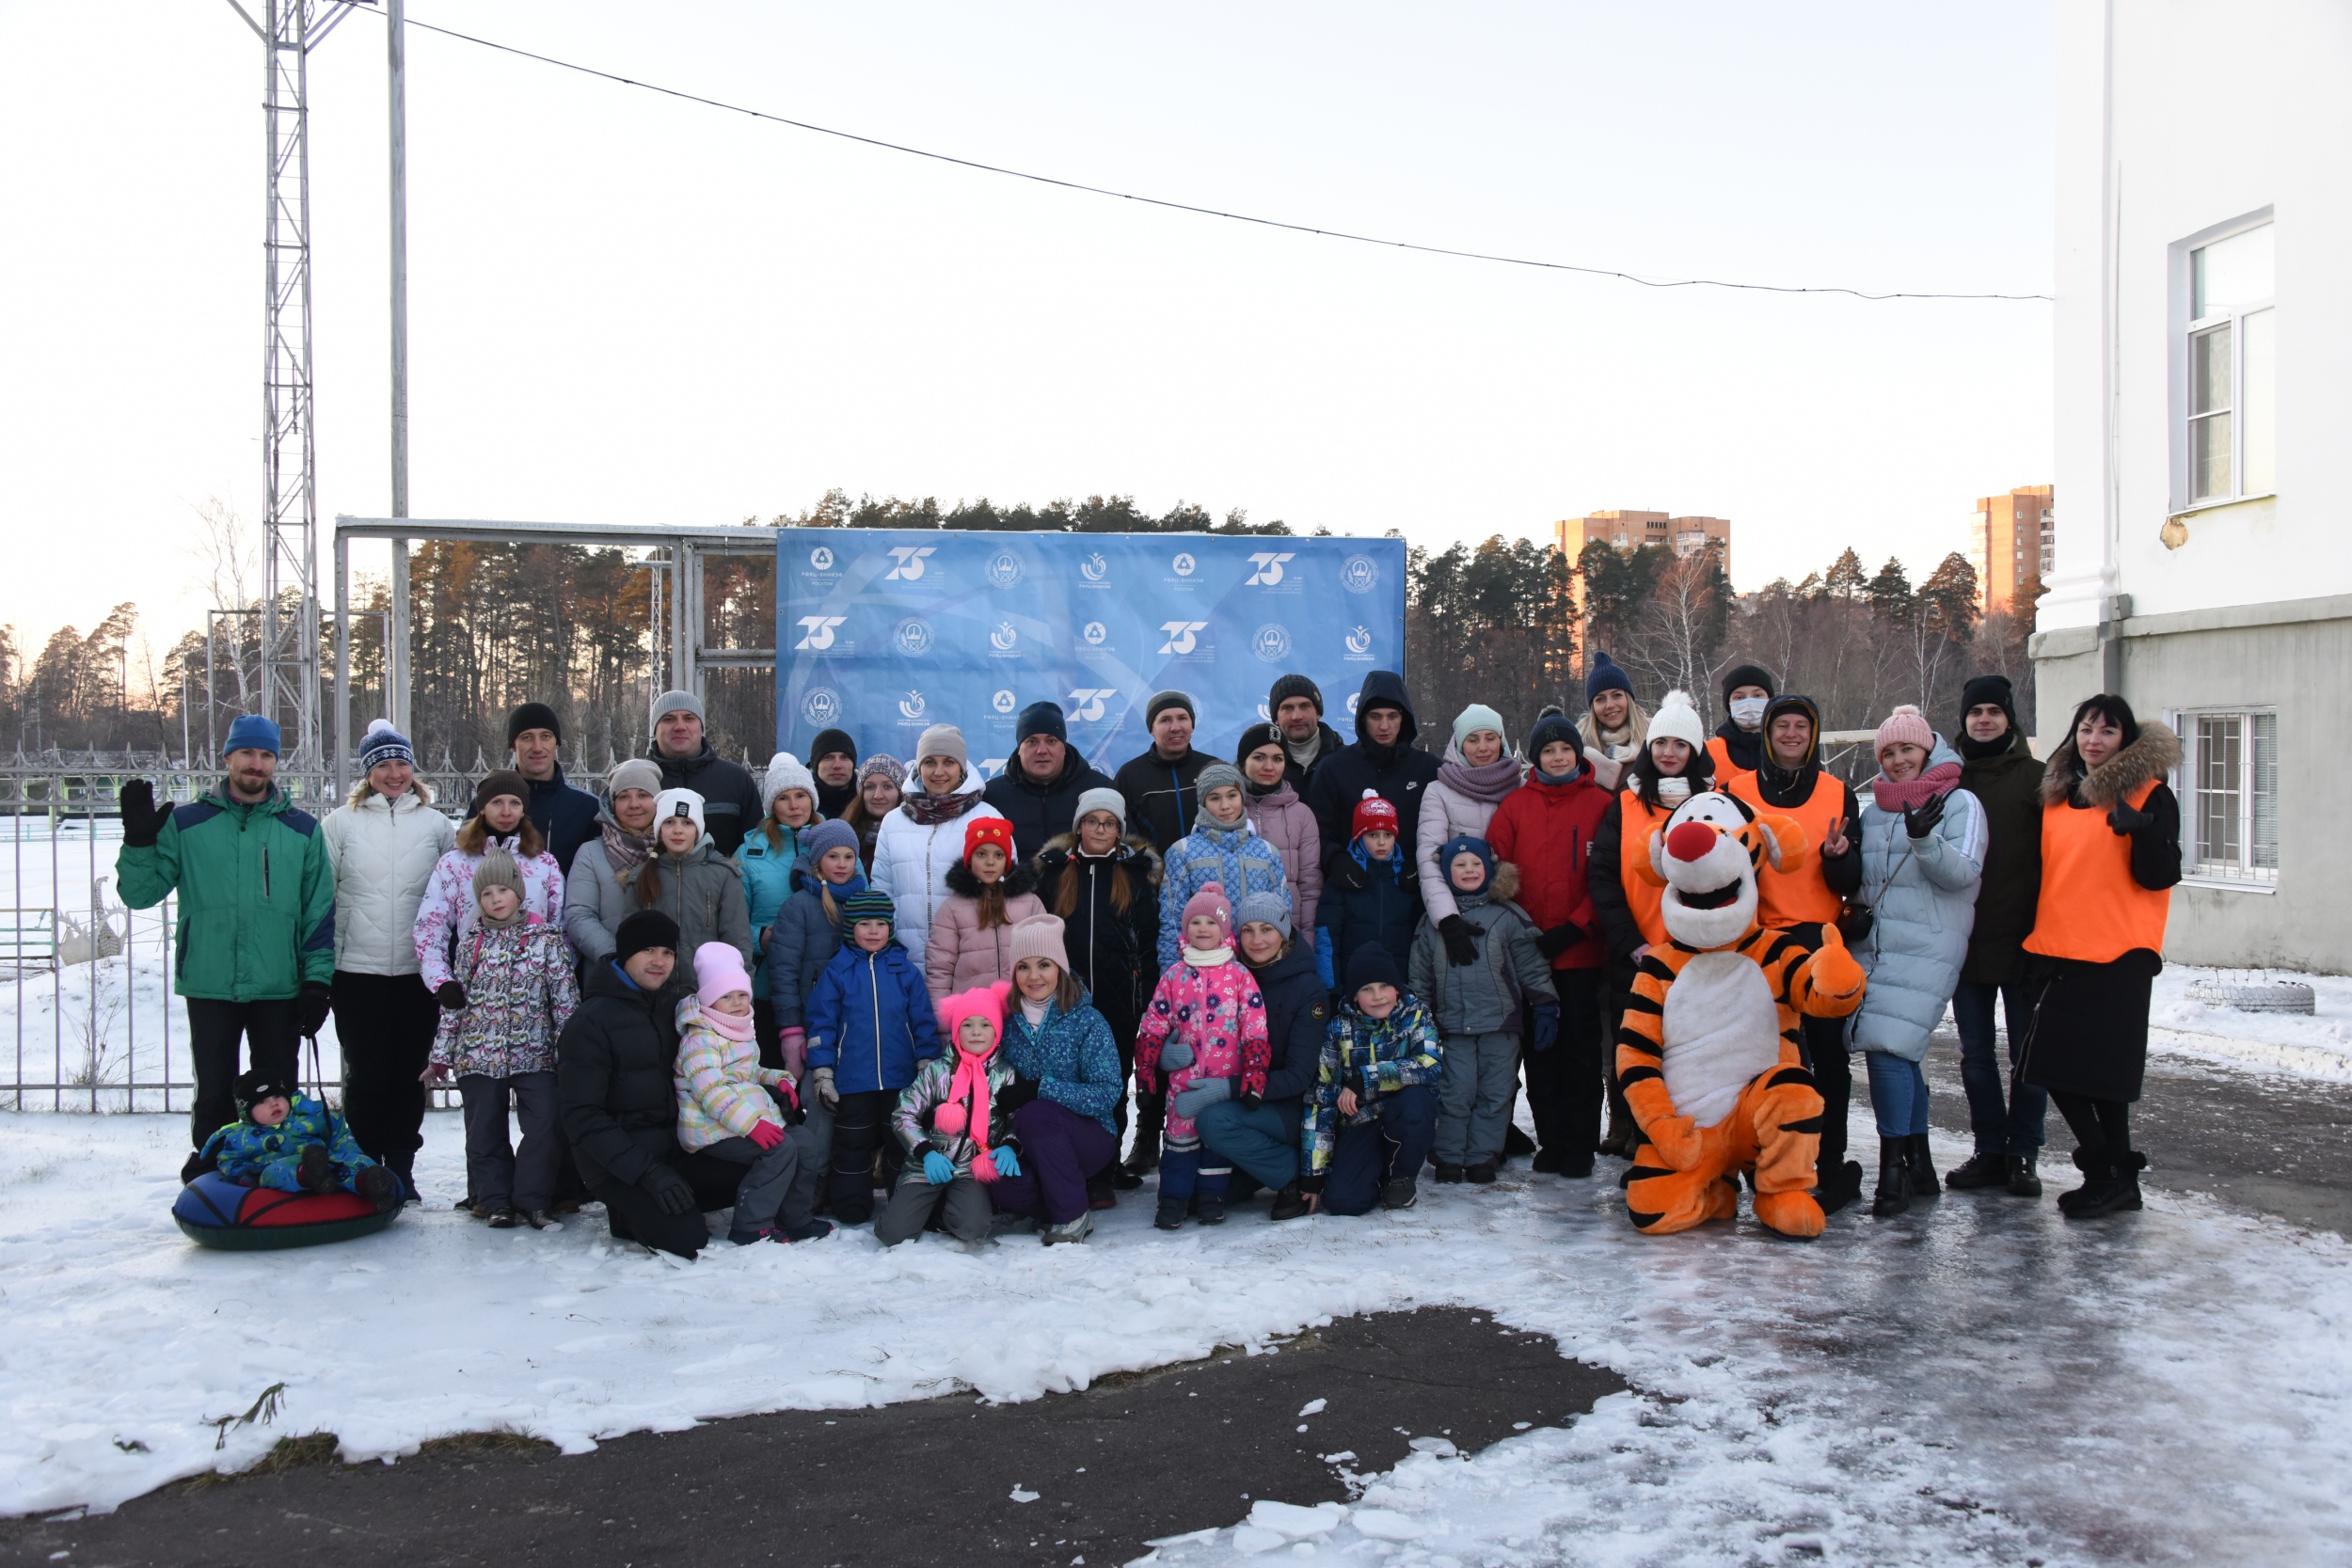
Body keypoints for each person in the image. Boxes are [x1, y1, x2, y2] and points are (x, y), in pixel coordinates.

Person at [118, 715, 334, 1169]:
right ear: (228, 757)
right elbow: (140, 894)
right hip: (210, 980)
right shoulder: (187, 823)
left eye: (267, 755)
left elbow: (318, 912)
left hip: (278, 983)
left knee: (278, 1090)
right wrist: (139, 841)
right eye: (247, 753)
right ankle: (213, 1171)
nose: (257, 764)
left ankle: (281, 1171)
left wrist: (317, 983)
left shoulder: (301, 829)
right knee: (214, 1088)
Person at [2019, 695, 2181, 1219]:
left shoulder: (2150, 793)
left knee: (2101, 1078)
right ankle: (2115, 1176)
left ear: (2124, 739)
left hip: (2119, 953)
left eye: (2107, 732)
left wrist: (2145, 832)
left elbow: (2162, 875)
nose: (2094, 740)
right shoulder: (2057, 797)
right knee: (2054, 1068)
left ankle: (2107, 1175)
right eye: (2086, 729)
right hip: (2060, 949)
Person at [1725, 692, 1866, 1212]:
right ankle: (1765, 1159)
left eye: (1800, 727)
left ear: (1813, 735)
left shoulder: (1838, 792)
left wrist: (1839, 858)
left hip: (1818, 942)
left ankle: (1828, 1161)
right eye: (1781, 725)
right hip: (1757, 942)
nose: (1791, 734)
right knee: (1764, 1059)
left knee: (1828, 1057)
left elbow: (1851, 881)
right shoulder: (1735, 790)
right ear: (1767, 734)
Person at [1850, 708, 1985, 1217]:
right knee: (1901, 1051)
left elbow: (1963, 873)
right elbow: (1865, 881)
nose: (1898, 760)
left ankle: (1893, 1172)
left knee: (1886, 1046)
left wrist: (1925, 839)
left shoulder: (1960, 802)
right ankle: (1919, 1163)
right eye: (1888, 752)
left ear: (1927, 750)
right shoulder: (1874, 811)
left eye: (1907, 749)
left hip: (1929, 942)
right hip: (1876, 947)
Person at [557, 910, 744, 1258]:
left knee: (765, 1165)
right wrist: (648, 1173)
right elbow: (581, 1115)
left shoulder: (674, 1009)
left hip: (676, 1151)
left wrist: (765, 1092)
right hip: (619, 1164)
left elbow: (717, 1066)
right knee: (686, 1240)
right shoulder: (589, 1023)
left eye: (668, 952)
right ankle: (630, 1209)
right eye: (648, 950)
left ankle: (658, 1205)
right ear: (626, 953)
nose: (659, 961)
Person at [320, 718, 453, 1195]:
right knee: (366, 1074)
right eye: (383, 765)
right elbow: (322, 896)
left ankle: (400, 1166)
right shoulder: (340, 823)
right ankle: (363, 1166)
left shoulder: (437, 825)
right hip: (357, 971)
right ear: (368, 772)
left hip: (418, 972)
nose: (394, 774)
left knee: (409, 1074)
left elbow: (452, 893)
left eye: (401, 763)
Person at [420, 847, 580, 1228]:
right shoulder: (471, 942)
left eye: (502, 891)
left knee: (544, 1127)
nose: (495, 900)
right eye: (486, 894)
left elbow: (565, 1002)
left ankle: (533, 1200)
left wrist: (570, 1053)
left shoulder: (546, 940)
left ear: (518, 893)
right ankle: (494, 1201)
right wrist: (441, 1056)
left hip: (535, 1053)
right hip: (478, 1055)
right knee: (484, 1133)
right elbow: (455, 1007)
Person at [1586, 689, 1716, 1158]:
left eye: (1680, 745)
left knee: (1682, 1054)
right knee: (1632, 1048)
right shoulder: (1625, 803)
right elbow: (1602, 876)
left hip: (1694, 956)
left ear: (1694, 752)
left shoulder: (1715, 804)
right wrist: (1630, 941)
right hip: (1636, 952)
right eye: (1661, 743)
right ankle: (1626, 1124)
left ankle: (1669, 1135)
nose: (1669, 752)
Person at [1488, 708, 1612, 1175]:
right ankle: (1552, 1142)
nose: (1558, 757)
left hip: (1581, 950)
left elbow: (1609, 877)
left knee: (1581, 1051)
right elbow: (1494, 873)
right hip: (1530, 954)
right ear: (1536, 757)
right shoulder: (1515, 806)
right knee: (1542, 1053)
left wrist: (1577, 927)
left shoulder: (1601, 805)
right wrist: (1520, 933)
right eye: (1548, 750)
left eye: (1565, 749)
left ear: (1578, 754)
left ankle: (1580, 1145)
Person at [1946, 673, 2050, 1196]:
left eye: (1994, 711)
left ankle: (2023, 1153)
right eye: (1975, 711)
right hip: (1966, 940)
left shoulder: (2038, 778)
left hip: (2026, 939)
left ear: (2010, 718)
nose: (1984, 719)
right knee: (1976, 1056)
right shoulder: (1949, 780)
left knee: (2028, 1056)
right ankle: (1989, 1149)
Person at [1412, 836, 1557, 1185]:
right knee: (1456, 1092)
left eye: (1476, 864)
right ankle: (1449, 1156)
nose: (1469, 870)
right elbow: (1420, 973)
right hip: (1454, 1025)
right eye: (1459, 865)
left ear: (1489, 869)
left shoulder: (1508, 916)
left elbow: (1531, 964)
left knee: (1496, 1093)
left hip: (1500, 1024)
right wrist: (1421, 1017)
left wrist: (1545, 1003)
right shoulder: (1434, 921)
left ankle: (1482, 1156)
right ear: (1446, 873)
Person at [1036, 787, 1163, 1180]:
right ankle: (1070, 1163)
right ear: (1080, 826)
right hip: (1065, 999)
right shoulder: (1055, 873)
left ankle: (1107, 1164)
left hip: (1118, 1000)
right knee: (1067, 1077)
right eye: (1093, 821)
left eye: (1109, 823)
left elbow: (1148, 942)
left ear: (1119, 830)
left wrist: (1142, 997)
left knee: (1111, 1081)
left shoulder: (1135, 876)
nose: (1101, 830)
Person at [672, 942, 830, 1244]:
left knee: (805, 1142)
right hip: (710, 1128)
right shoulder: (700, 1038)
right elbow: (712, 1091)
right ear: (708, 1000)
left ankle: (795, 1217)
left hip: (739, 1120)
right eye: (726, 996)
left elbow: (750, 1072)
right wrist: (752, 1125)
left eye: (742, 995)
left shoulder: (739, 1029)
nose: (736, 1003)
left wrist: (780, 1080)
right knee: (779, 1148)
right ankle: (751, 1224)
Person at [1135, 884, 1271, 1229]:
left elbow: (1255, 1028)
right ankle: (1173, 1198)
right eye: (1195, 922)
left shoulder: (1239, 975)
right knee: (1179, 1139)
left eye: (1211, 922)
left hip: (1224, 1081)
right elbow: (1154, 1023)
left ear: (1224, 930)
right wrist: (1148, 1067)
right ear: (1185, 929)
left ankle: (1212, 1196)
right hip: (1184, 1081)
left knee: (1215, 1141)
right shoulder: (1174, 976)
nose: (1203, 929)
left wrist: (1254, 1077)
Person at [803, 890, 941, 1226]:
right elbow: (821, 1024)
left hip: (900, 1077)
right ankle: (851, 1201)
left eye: (881, 923)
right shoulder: (837, 971)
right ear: (850, 927)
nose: (874, 931)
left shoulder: (904, 971)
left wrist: (926, 1062)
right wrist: (823, 1072)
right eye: (865, 924)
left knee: (900, 1141)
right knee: (852, 1142)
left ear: (890, 927)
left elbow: (923, 1022)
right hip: (853, 1078)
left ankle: (903, 1201)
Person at [991, 916, 1126, 1243]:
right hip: (1025, 1140)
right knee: (996, 1179)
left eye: (1044, 965)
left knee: (1037, 1113)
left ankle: (1072, 1215)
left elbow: (1107, 1092)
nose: (1034, 976)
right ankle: (1056, 1201)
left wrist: (1041, 1089)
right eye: (1023, 967)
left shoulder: (1087, 1020)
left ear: (1060, 968)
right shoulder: (1006, 1024)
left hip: (1089, 1135)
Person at [1198, 892, 1322, 1221]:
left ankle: (1290, 1171)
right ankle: (1254, 1170)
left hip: (1289, 1106)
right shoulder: (1229, 976)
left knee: (1213, 1121)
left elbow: (1299, 1075)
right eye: (1247, 930)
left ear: (1283, 932)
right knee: (1199, 1195)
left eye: (1266, 929)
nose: (1256, 940)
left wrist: (1229, 1088)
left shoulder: (1306, 987)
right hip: (1245, 1098)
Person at [1300, 943, 1440, 1215]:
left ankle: (1400, 1177)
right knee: (1342, 1201)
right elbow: (1321, 1097)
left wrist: (1366, 1079)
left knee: (1416, 1099)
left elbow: (1429, 1064)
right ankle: (1374, 1175)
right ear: (1354, 996)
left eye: (1384, 986)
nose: (1377, 996)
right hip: (1361, 1121)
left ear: (1396, 989)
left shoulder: (1416, 1015)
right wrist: (1314, 1173)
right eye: (1367, 989)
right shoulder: (1337, 1029)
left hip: (1404, 1114)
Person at [879, 982, 1021, 1245]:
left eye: (985, 1024)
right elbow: (904, 1113)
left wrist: (1010, 1145)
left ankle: (942, 1211)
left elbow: (1016, 1120)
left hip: (971, 1169)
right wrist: (926, 1153)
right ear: (956, 1030)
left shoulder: (1006, 1074)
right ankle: (918, 1205)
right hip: (928, 1165)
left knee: (973, 1230)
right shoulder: (937, 1071)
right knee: (893, 1235)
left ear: (997, 1031)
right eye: (967, 1025)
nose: (976, 1032)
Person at [416, 771, 567, 1005]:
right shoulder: (454, 863)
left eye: (514, 803)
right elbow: (430, 927)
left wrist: (556, 978)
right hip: (473, 990)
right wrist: (441, 981)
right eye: (497, 802)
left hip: (531, 992)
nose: (506, 811)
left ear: (523, 809)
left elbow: (561, 928)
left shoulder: (544, 863)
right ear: (482, 808)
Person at [871, 725, 1006, 973]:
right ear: (919, 767)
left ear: (961, 768)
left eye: (949, 762)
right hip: (904, 960)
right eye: (930, 762)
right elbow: (882, 889)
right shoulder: (894, 821)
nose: (939, 772)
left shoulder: (987, 818)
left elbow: (1004, 889)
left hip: (968, 960)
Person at [194, 1069, 400, 1212]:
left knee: (348, 1165)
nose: (273, 1103)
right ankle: (307, 1175)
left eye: (277, 1096)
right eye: (262, 1101)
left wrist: (352, 1155)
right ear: (247, 1112)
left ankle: (367, 1182)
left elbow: (337, 1132)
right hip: (277, 1168)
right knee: (275, 1172)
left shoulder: (306, 1119)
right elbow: (229, 1160)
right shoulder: (240, 1136)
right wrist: (246, 1175)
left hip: (325, 1162)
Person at [1306, 670, 1441, 877]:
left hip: (1413, 888)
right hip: (1351, 886)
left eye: (1392, 716)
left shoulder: (1428, 768)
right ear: (1362, 719)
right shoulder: (1333, 768)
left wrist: (1418, 867)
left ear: (1404, 718)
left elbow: (1441, 832)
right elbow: (1318, 832)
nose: (1384, 726)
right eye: (1375, 716)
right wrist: (1336, 860)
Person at [1157, 762, 1289, 971]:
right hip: (1202, 969)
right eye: (1215, 798)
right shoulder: (1182, 851)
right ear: (1203, 802)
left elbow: (1282, 911)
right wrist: (1172, 972)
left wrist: (1281, 965)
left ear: (1242, 797)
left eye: (1232, 795)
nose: (1225, 806)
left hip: (1260, 964)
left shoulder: (1267, 851)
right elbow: (1172, 918)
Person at [765, 819, 866, 1088]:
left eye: (848, 857)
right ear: (818, 859)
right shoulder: (798, 906)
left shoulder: (863, 901)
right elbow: (783, 971)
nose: (842, 864)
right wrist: (791, 1030)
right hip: (813, 1022)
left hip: (856, 1022)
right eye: (833, 856)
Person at [1414, 704, 1524, 942]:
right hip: (1459, 911)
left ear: (1501, 741)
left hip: (1511, 915)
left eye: (1490, 738)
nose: (1483, 747)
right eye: (1473, 740)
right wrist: (1446, 916)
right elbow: (1429, 856)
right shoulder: (1439, 791)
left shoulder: (1520, 788)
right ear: (1459, 745)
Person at [742, 752, 822, 1061]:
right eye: (783, 798)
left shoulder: (835, 843)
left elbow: (859, 905)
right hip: (769, 986)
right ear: (771, 805)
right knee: (775, 1071)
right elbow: (733, 922)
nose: (794, 806)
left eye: (801, 795)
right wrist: (758, 938)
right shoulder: (749, 853)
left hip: (827, 981)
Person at [926, 816, 1046, 1001]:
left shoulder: (1030, 903)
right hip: (972, 1013)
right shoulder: (952, 909)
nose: (990, 862)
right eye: (981, 854)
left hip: (1021, 1009)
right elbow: (940, 969)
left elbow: (1046, 958)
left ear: (1007, 860)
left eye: (998, 855)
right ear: (969, 859)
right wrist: (943, 1015)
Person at [1314, 791, 1422, 992]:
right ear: (1359, 837)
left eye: (1388, 835)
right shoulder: (1344, 878)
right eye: (1373, 835)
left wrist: (1418, 989)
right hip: (1353, 987)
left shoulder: (1406, 879)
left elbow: (1421, 942)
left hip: (1400, 986)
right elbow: (1326, 938)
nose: (1382, 842)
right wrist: (1330, 989)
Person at [983, 700, 1115, 861]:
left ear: (1064, 747)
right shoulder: (992, 796)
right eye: (1032, 742)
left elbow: (1127, 850)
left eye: (1051, 741)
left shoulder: (1100, 789)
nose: (1041, 750)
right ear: (1019, 749)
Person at [563, 758, 663, 964]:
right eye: (624, 796)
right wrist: (618, 956)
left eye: (643, 795)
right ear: (612, 804)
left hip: (669, 968)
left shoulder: (675, 848)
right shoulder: (591, 854)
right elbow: (579, 915)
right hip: (611, 969)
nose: (634, 804)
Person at [646, 689, 763, 859]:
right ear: (655, 730)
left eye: (689, 718)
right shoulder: (639, 783)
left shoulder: (736, 779)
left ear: (701, 727)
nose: (680, 726)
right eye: (668, 719)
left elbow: (756, 850)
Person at [1234, 722, 1323, 938]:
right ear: (1243, 761)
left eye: (1277, 759)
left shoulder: (1302, 815)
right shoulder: (1226, 810)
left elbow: (1310, 887)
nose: (1269, 766)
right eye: (1259, 757)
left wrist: (1307, 939)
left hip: (1287, 935)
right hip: (1236, 934)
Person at [1113, 689, 1215, 854]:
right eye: (1165, 720)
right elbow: (1122, 836)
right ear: (1151, 729)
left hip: (1208, 869)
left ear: (1192, 725)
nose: (1175, 727)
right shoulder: (1130, 775)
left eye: (1182, 718)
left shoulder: (1212, 768)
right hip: (1154, 869)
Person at [506, 701, 600, 877]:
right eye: (527, 737)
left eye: (546, 736)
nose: (537, 747)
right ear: (513, 745)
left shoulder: (587, 808)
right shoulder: (489, 805)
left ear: (556, 743)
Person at [1576, 652, 1648, 791]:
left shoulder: (1656, 739)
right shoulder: (1576, 748)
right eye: (1600, 699)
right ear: (1593, 707)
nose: (1609, 705)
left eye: (1617, 695)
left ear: (1628, 699)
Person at [1268, 673, 1347, 796]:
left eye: (1305, 706)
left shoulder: (1347, 760)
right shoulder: (1261, 766)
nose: (1297, 716)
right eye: (1287, 708)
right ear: (1276, 718)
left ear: (1318, 713)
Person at [1707, 664, 1776, 784]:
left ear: (1769, 700)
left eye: (1757, 695)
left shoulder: (1787, 748)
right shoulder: (1708, 752)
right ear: (1728, 704)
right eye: (1739, 697)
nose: (1748, 703)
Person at [842, 753, 906, 873]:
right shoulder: (843, 836)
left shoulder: (914, 836)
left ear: (900, 792)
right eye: (870, 787)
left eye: (887, 787)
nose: (878, 795)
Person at [808, 727, 861, 820]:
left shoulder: (868, 801)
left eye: (844, 757)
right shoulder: (799, 803)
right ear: (815, 764)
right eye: (828, 758)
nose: (837, 765)